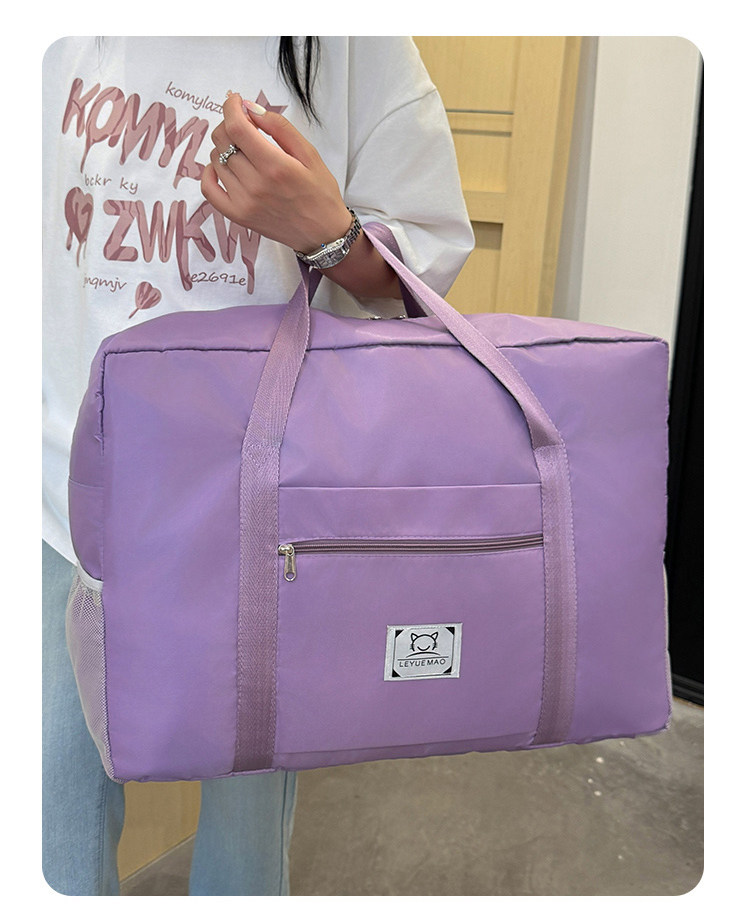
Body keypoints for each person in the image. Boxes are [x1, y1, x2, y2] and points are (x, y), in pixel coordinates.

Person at [42, 35, 473, 896]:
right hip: (54, 485)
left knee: (244, 831)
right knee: (50, 814)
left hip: (257, 507)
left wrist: (329, 235)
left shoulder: (348, 40)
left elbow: (424, 261)